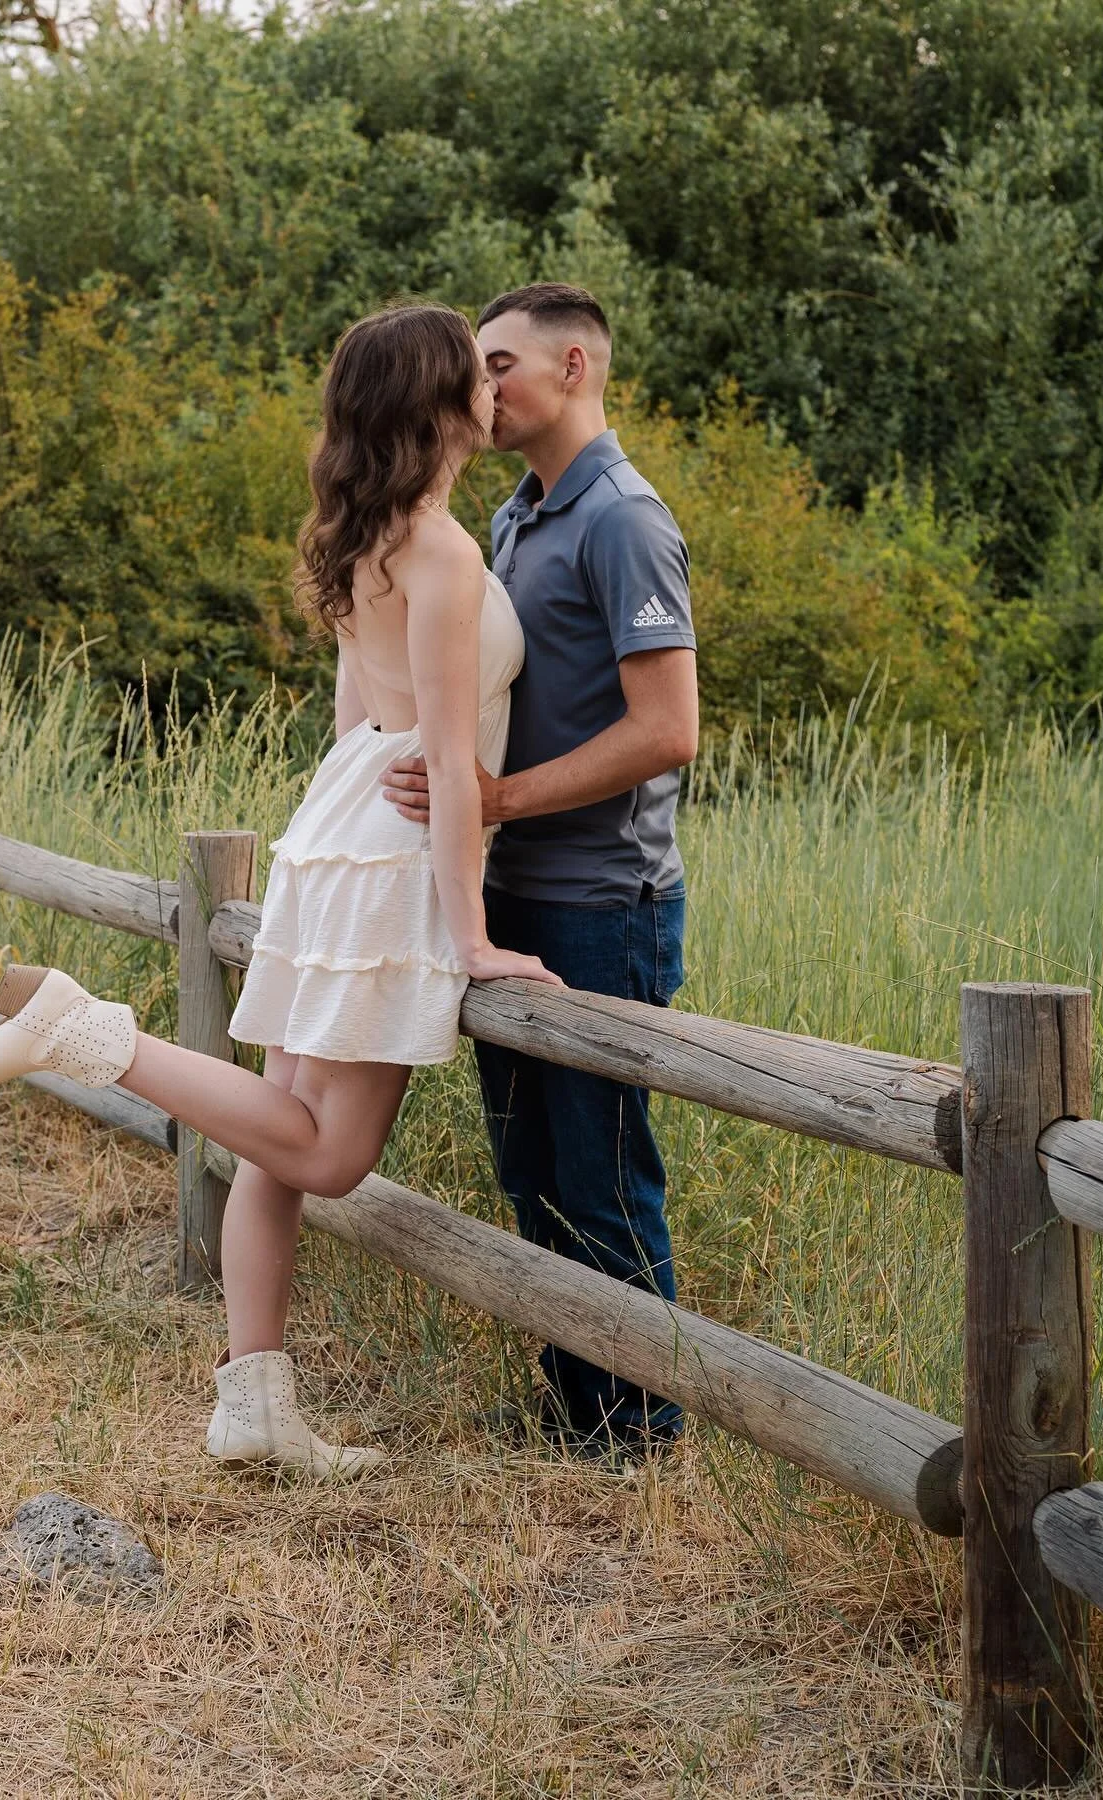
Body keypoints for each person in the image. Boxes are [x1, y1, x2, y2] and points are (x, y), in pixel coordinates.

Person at [0, 302, 560, 1477]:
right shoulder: (441, 551)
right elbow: (438, 752)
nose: (492, 387)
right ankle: (85, 1032)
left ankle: (254, 1409)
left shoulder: (364, 537)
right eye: (472, 374)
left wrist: (329, 843)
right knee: (328, 1158)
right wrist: (472, 935)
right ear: (437, 405)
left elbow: (352, 722)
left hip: (339, 819)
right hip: (388, 840)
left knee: (278, 1152)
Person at [379, 283, 699, 1461]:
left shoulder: (624, 518)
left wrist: (498, 795)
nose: (483, 386)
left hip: (605, 902)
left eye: (501, 362)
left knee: (606, 1170)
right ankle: (578, 1404)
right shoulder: (514, 515)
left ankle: (643, 1430)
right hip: (512, 894)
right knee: (533, 1170)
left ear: (575, 365)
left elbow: (668, 729)